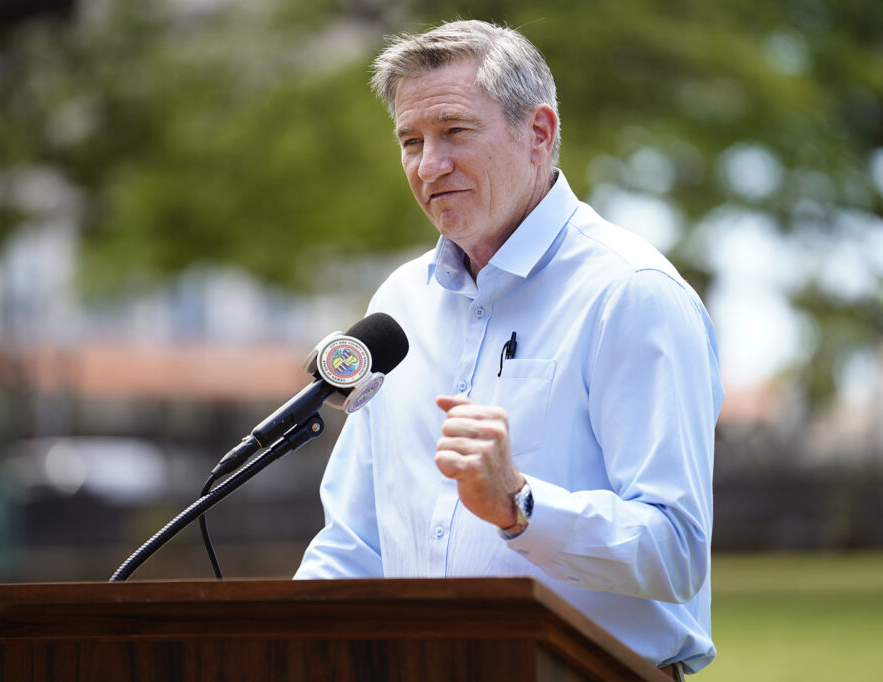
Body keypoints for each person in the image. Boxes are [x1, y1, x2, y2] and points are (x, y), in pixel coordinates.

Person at [294, 19, 723, 678]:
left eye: (455, 132)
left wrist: (521, 506)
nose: (429, 165)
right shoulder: (398, 304)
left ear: (540, 133)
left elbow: (678, 550)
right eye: (411, 140)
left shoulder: (631, 294)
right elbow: (354, 541)